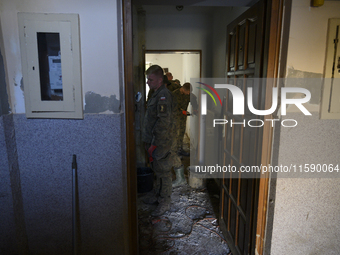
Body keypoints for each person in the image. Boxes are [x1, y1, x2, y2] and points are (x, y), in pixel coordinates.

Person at [142, 65, 178, 216]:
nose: (148, 82)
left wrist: (154, 144)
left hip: (161, 142)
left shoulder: (164, 96)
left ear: (160, 79)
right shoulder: (154, 94)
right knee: (157, 169)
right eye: (147, 79)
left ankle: (165, 202)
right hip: (153, 141)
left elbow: (163, 123)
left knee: (164, 172)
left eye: (150, 79)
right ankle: (158, 195)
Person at [172, 83, 198, 158]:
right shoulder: (174, 94)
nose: (189, 94)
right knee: (175, 134)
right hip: (175, 118)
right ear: (183, 89)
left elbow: (194, 100)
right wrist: (182, 112)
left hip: (183, 118)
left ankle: (180, 150)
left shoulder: (189, 94)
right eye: (188, 92)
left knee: (181, 133)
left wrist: (195, 109)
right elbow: (172, 108)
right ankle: (174, 153)